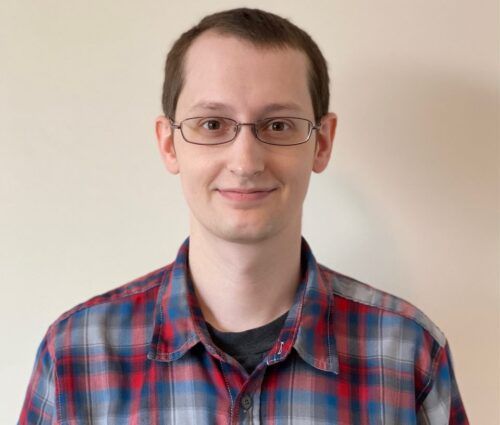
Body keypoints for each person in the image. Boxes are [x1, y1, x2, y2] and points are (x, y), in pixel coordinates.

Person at [19, 8, 469, 424]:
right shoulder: (76, 355)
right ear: (169, 143)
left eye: (278, 125)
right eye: (213, 124)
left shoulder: (408, 352)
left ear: (323, 142)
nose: (246, 161)